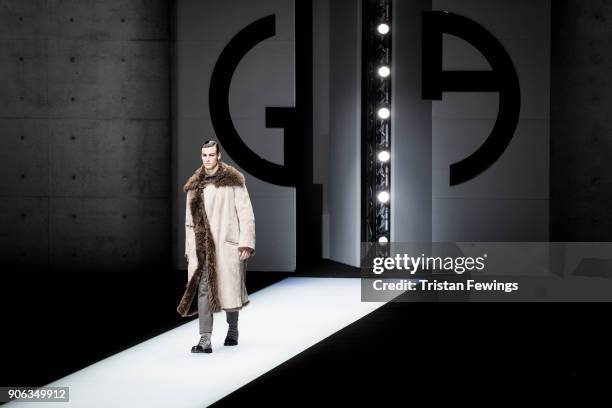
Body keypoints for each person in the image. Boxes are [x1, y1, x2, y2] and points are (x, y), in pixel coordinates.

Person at [177, 140, 255, 353]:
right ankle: (205, 338)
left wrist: (246, 243)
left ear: (218, 156)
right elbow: (188, 222)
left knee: (230, 290)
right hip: (201, 248)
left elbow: (245, 213)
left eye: (211, 155)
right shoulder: (194, 185)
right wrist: (189, 249)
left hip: (226, 244)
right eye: (204, 155)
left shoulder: (233, 180)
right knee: (203, 289)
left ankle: (233, 329)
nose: (208, 159)